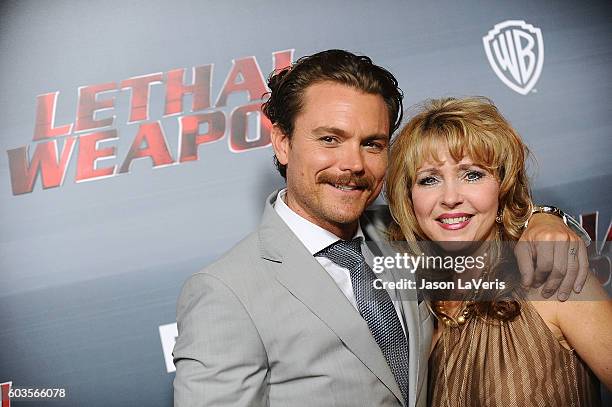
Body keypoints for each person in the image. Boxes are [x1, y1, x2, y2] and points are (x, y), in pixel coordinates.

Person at [173, 50, 589, 407]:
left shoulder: (403, 235)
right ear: (282, 142)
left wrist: (545, 218)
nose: (353, 164)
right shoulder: (225, 293)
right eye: (330, 139)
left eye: (372, 143)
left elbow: (480, 217)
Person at [386, 96, 612, 406]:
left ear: (502, 185)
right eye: (429, 180)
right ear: (410, 200)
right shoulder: (420, 313)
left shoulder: (552, 280)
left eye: (472, 175)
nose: (450, 197)